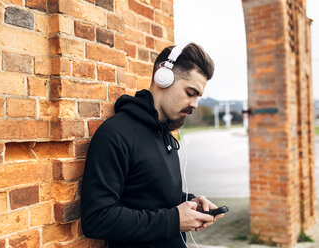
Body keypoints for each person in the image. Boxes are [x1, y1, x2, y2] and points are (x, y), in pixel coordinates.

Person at [80, 42, 224, 248]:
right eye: (190, 92)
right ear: (163, 79)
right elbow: (97, 218)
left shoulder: (165, 134)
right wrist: (174, 220)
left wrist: (191, 204)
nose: (195, 104)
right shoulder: (116, 134)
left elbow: (154, 198)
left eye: (198, 97)